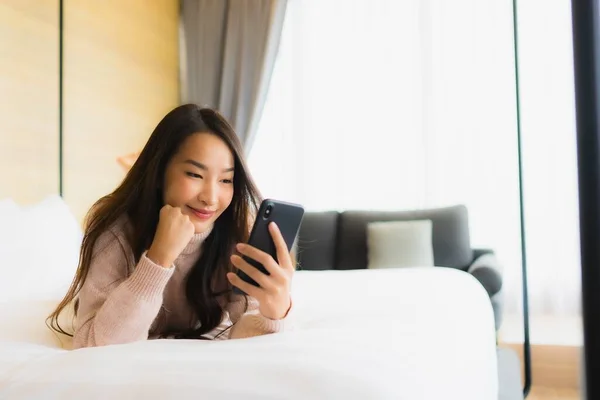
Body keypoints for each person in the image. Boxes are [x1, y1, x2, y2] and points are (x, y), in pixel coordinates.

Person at [47, 104, 295, 348]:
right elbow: (93, 344)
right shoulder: (116, 232)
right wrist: (158, 259)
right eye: (195, 175)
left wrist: (273, 314)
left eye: (226, 180)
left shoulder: (235, 235)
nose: (210, 197)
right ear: (159, 172)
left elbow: (244, 340)